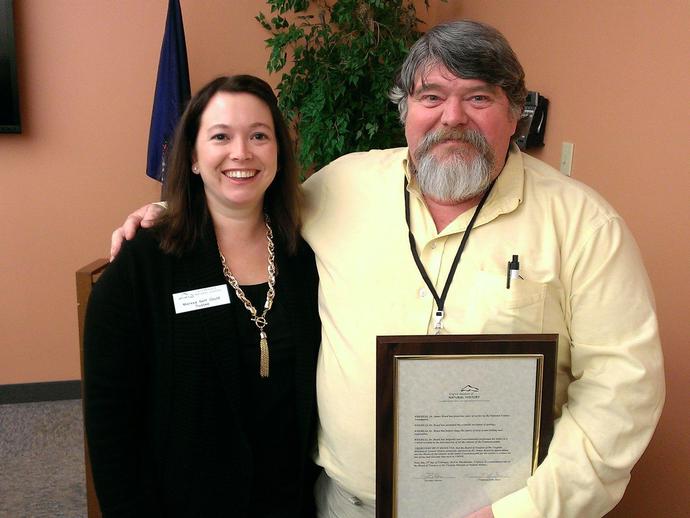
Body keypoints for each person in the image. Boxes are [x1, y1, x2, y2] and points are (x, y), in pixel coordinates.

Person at [111, 21, 665, 518]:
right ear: (404, 108)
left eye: (478, 97)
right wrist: (170, 212)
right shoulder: (342, 186)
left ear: (515, 111)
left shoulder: (585, 226)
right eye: (432, 96)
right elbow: (248, 209)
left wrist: (527, 511)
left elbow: (624, 390)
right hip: (346, 506)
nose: (452, 117)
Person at [85, 75, 321, 517]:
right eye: (220, 136)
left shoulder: (307, 257)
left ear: (278, 154)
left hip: (292, 500)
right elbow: (110, 423)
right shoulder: (143, 266)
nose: (241, 152)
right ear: (193, 156)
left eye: (259, 136)